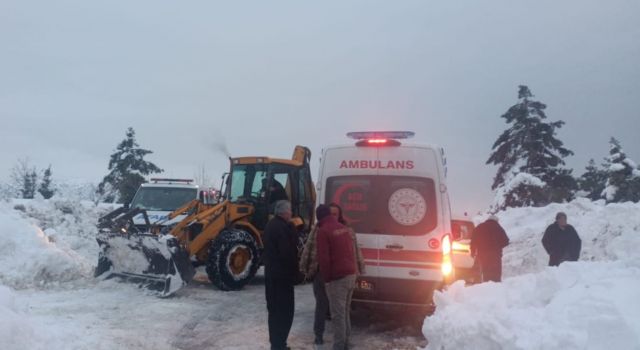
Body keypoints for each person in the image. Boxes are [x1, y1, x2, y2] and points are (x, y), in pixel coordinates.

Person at [299, 203, 364, 346]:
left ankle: (341, 344)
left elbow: (353, 251)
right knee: (324, 307)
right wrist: (305, 268)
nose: (333, 216)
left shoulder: (327, 230)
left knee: (339, 313)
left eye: (336, 213)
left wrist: (328, 279)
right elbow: (309, 249)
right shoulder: (335, 230)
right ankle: (319, 335)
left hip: (333, 275)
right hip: (329, 273)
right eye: (331, 213)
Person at [316, 204, 361, 350]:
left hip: (338, 278)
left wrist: (327, 279)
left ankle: (339, 346)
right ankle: (346, 343)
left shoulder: (323, 231)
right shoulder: (344, 228)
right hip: (351, 274)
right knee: (345, 312)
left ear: (319, 217)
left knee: (337, 316)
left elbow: (324, 259)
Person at [263, 200, 298, 350]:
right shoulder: (282, 228)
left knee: (274, 311)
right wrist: (296, 272)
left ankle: (276, 343)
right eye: (290, 211)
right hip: (282, 277)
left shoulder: (270, 225)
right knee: (284, 311)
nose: (291, 213)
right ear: (285, 212)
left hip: (271, 275)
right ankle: (279, 344)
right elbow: (287, 253)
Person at [470, 215, 509, 282]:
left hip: (482, 254)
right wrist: (498, 246)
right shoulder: (498, 228)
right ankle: (496, 287)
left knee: (486, 272)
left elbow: (473, 240)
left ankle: (487, 286)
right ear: (496, 221)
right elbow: (506, 241)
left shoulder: (479, 227)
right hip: (495, 255)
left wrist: (472, 251)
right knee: (496, 273)